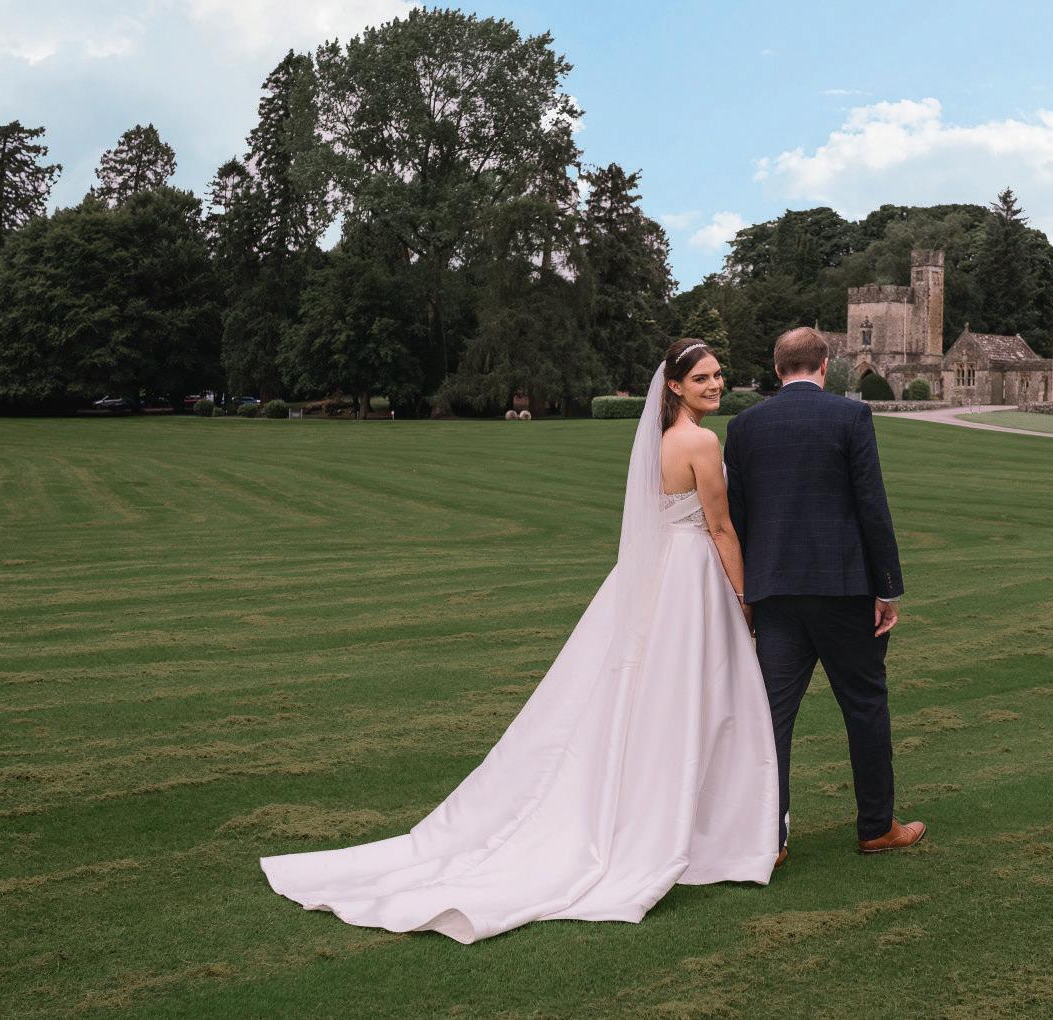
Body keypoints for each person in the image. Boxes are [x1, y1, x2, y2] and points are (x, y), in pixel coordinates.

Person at [260, 339, 779, 944]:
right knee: (697, 695)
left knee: (651, 696)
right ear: (675, 386)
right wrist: (744, 598)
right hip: (691, 577)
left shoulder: (659, 441)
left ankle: (671, 815)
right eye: (704, 378)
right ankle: (697, 827)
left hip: (655, 574)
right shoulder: (700, 443)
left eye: (718, 375)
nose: (716, 385)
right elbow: (720, 527)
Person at [725, 326, 925, 858]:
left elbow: (737, 518)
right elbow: (871, 505)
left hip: (773, 592)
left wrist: (745, 593)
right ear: (824, 365)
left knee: (772, 717)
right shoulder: (851, 415)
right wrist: (887, 588)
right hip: (843, 589)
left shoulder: (744, 426)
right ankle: (876, 827)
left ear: (777, 369)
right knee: (864, 706)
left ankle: (769, 838)